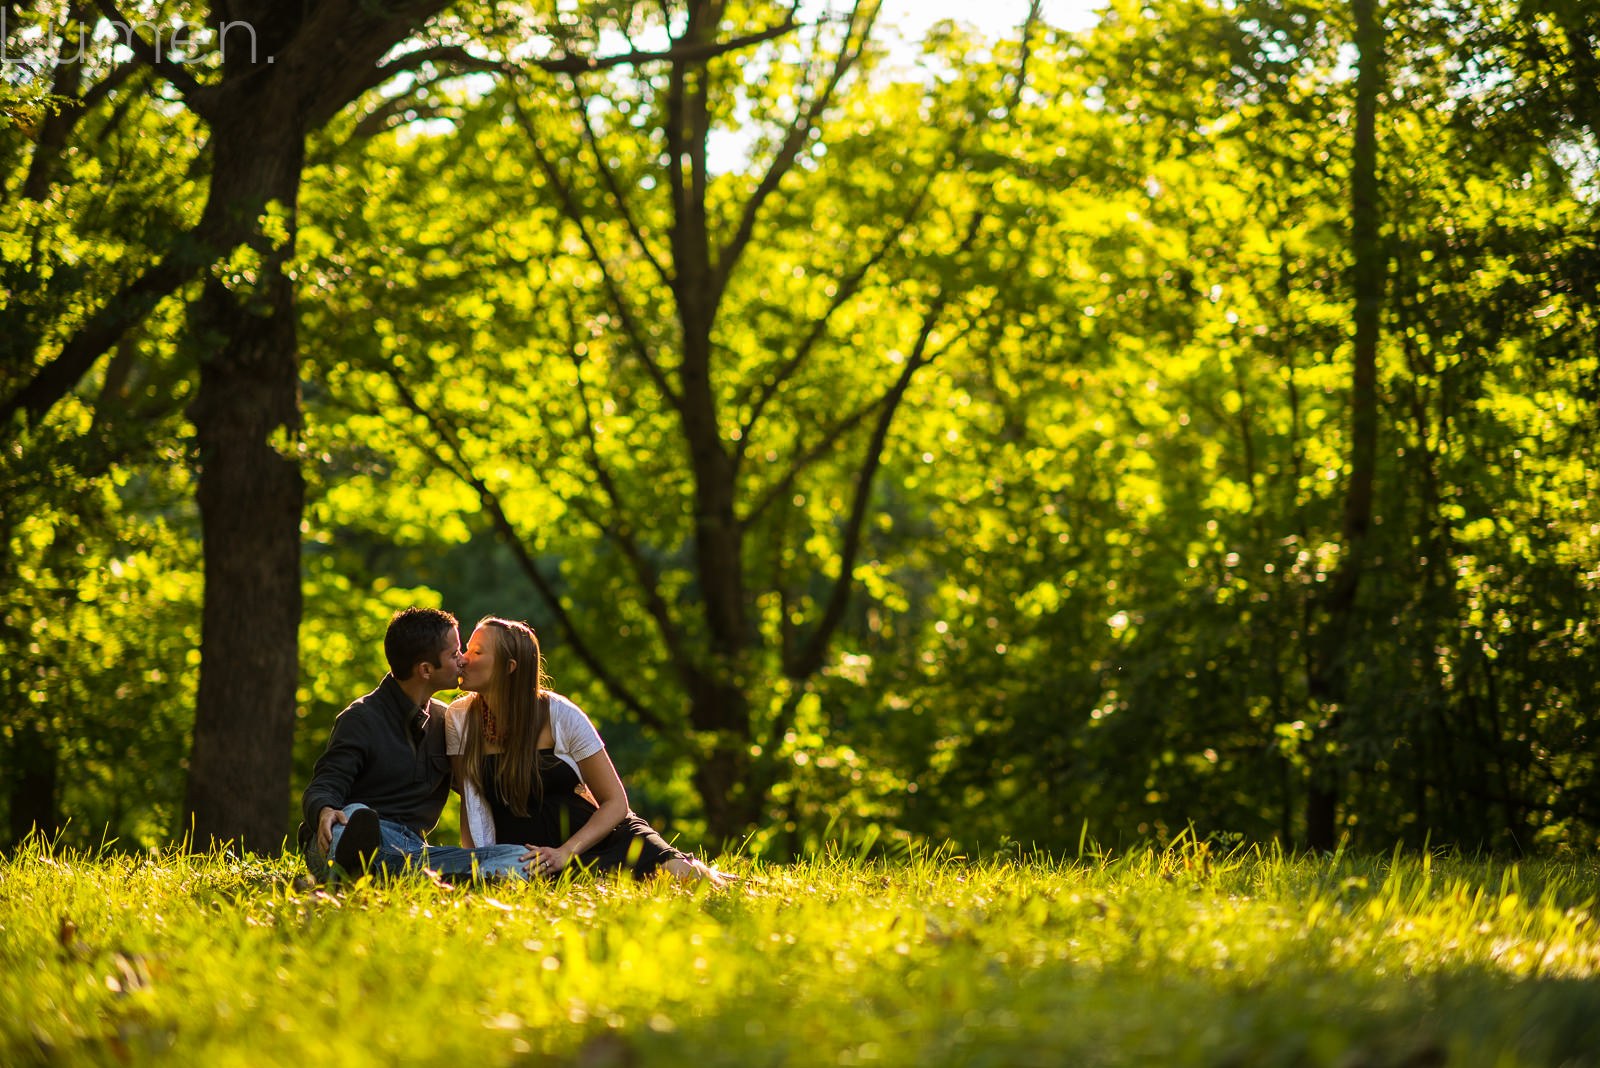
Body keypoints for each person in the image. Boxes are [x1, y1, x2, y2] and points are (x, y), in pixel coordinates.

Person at [446, 616, 731, 887]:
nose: (463, 659)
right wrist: (476, 860)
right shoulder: (458, 718)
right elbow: (470, 805)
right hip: (530, 859)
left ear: (509, 667)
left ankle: (709, 874)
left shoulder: (561, 715)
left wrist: (566, 852)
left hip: (596, 841)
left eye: (477, 652)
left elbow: (616, 802)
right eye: (466, 650)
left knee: (686, 879)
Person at [300, 607, 536, 883]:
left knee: (516, 856)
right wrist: (325, 810)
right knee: (354, 818)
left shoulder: (446, 721)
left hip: (414, 852)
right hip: (358, 839)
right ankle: (407, 876)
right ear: (425, 670)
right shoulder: (360, 718)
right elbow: (325, 784)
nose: (463, 660)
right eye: (453, 654)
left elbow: (478, 789)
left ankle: (393, 878)